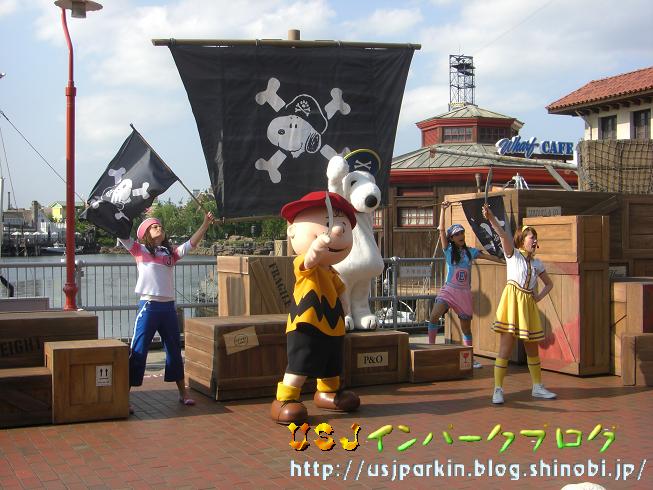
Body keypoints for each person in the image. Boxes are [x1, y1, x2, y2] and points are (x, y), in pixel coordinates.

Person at [271, 191, 360, 425]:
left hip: (333, 325)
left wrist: (346, 308)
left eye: (343, 226)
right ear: (292, 230)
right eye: (327, 223)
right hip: (307, 322)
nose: (338, 231)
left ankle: (329, 392)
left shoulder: (332, 272)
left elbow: (341, 292)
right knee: (301, 361)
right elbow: (310, 259)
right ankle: (285, 399)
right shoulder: (302, 264)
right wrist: (319, 244)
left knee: (332, 361)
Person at [119, 212, 214, 413]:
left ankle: (183, 393)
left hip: (168, 308)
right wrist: (116, 215)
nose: (159, 228)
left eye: (160, 226)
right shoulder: (138, 249)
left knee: (174, 350)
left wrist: (205, 224)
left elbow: (191, 243)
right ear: (145, 233)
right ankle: (123, 397)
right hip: (149, 306)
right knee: (138, 351)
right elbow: (121, 233)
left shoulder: (170, 253)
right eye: (154, 226)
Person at [482, 203, 556, 404]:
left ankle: (537, 387)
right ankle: (498, 389)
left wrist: (537, 298)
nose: (535, 240)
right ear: (522, 240)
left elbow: (549, 284)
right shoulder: (513, 255)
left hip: (528, 304)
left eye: (535, 238)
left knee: (532, 348)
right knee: (505, 348)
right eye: (532, 237)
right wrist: (490, 218)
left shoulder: (537, 263)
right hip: (512, 301)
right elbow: (502, 235)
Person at [427, 201, 504, 370]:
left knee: (466, 329)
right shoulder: (448, 251)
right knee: (434, 316)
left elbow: (490, 257)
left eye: (462, 232)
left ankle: (470, 358)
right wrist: (443, 210)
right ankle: (430, 349)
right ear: (452, 238)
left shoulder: (471, 252)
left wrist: (507, 260)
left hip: (464, 293)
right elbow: (441, 230)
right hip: (449, 290)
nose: (461, 235)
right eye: (457, 234)